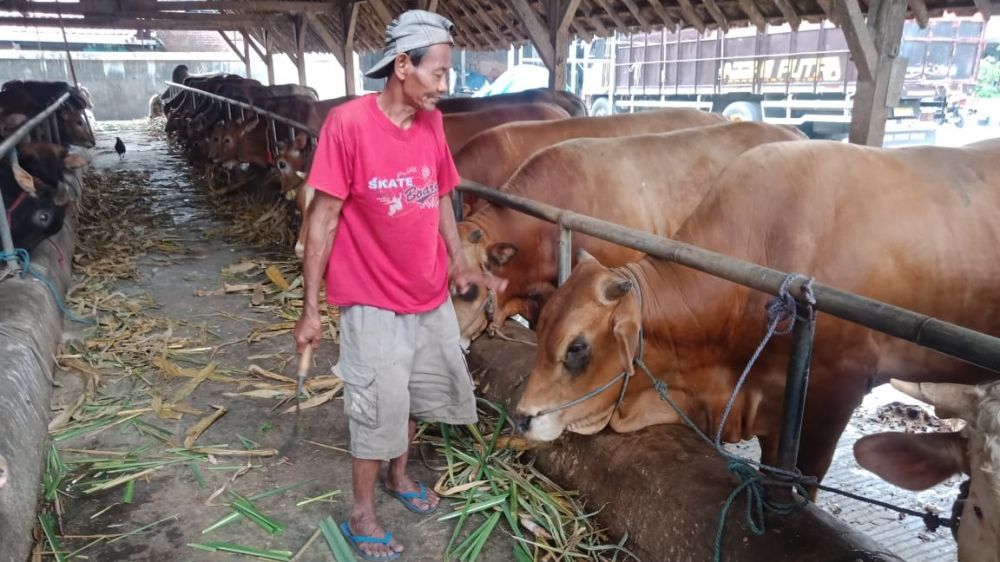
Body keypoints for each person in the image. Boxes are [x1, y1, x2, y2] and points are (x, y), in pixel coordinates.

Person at [292, 10, 506, 561]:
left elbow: (439, 195)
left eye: (447, 73)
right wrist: (311, 308)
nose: (445, 85)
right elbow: (323, 217)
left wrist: (458, 261)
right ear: (403, 65)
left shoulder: (431, 121)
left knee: (412, 394)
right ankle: (362, 509)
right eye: (437, 73)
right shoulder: (348, 125)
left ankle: (399, 476)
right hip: (370, 297)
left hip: (427, 292)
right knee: (376, 406)